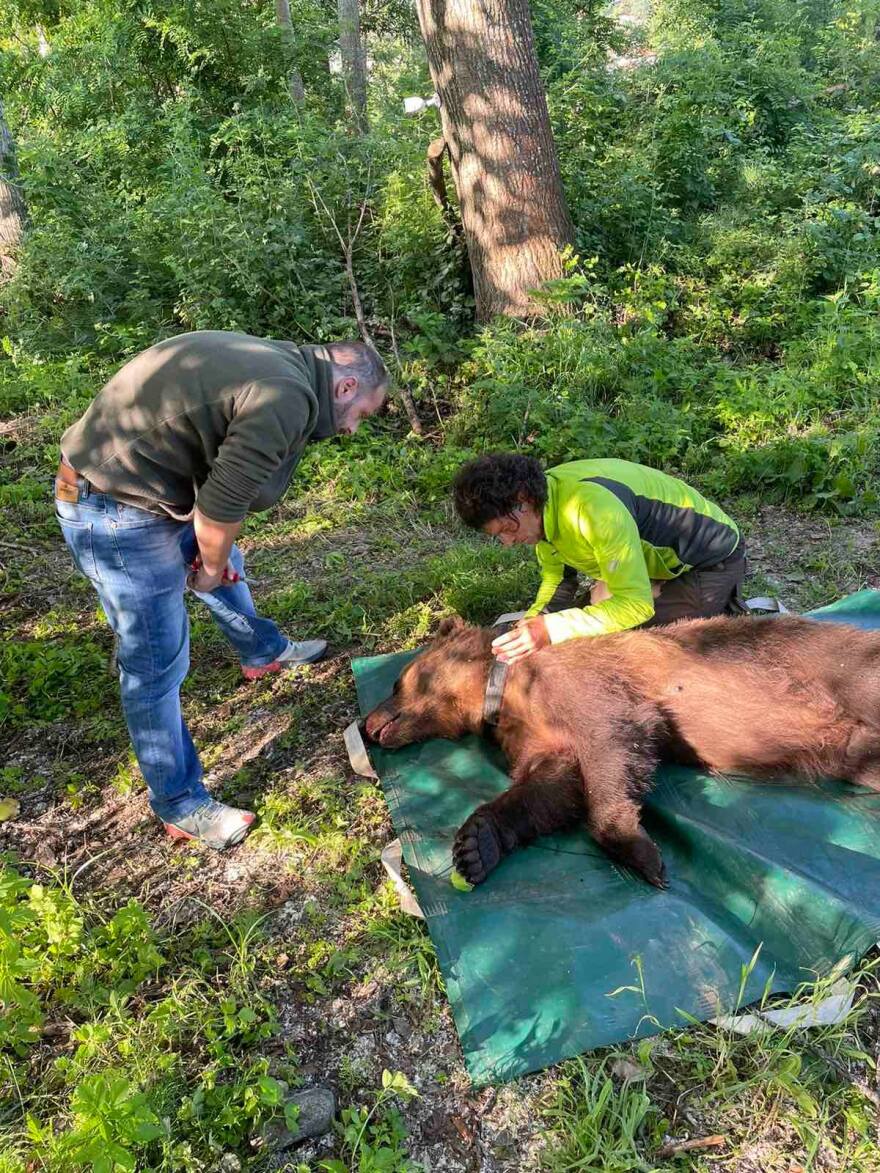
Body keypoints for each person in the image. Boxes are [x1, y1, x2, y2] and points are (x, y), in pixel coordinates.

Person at [55, 330, 388, 849]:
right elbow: (220, 507)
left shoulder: (288, 366)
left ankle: (263, 651)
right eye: (362, 414)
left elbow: (220, 479)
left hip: (154, 486)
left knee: (223, 554)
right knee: (155, 662)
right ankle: (180, 803)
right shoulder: (289, 395)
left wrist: (214, 554)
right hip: (113, 507)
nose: (352, 428)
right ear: (345, 387)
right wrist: (207, 565)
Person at [453, 454, 746, 665]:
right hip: (645, 564)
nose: (507, 542)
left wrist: (551, 630)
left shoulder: (592, 509)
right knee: (575, 630)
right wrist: (534, 622)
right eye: (498, 536)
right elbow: (558, 578)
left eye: (507, 529)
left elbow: (635, 605)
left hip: (710, 562)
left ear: (524, 500)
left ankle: (722, 608)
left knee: (636, 649)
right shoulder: (548, 507)